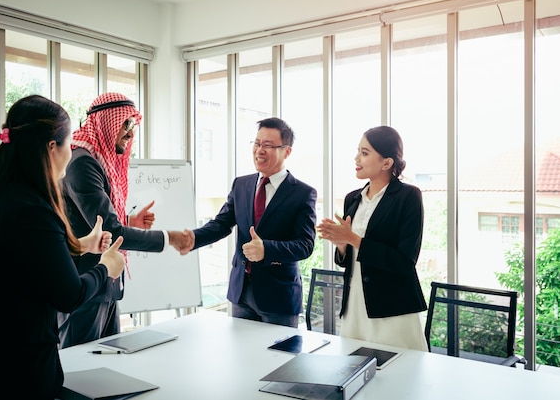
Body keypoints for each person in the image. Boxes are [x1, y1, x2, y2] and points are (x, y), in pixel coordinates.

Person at [0, 95, 125, 398]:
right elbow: (69, 295)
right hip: (5, 371)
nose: (71, 152)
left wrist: (80, 246)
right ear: (52, 148)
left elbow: (18, 262)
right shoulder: (33, 209)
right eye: (68, 144)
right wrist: (106, 268)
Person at [58, 92, 192, 348]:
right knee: (81, 372)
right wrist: (169, 237)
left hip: (104, 286)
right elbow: (109, 228)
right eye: (125, 124)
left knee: (107, 370)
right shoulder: (82, 163)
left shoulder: (95, 161)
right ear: (104, 122)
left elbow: (92, 219)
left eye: (133, 125)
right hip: (85, 287)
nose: (130, 133)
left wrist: (129, 220)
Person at [180, 117, 316, 328]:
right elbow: (222, 223)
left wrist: (266, 249)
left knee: (277, 360)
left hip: (278, 297)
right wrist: (194, 238)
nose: (260, 150)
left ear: (287, 151)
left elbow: (305, 245)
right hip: (240, 292)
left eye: (268, 145)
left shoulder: (303, 193)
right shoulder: (241, 184)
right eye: (257, 143)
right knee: (241, 358)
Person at [316, 125, 427, 350]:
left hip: (392, 307)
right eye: (358, 151)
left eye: (365, 153)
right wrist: (342, 246)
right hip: (355, 303)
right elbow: (349, 261)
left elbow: (405, 261)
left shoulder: (408, 197)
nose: (357, 158)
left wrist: (354, 239)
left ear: (387, 163)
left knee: (400, 375)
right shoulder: (352, 199)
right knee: (354, 373)